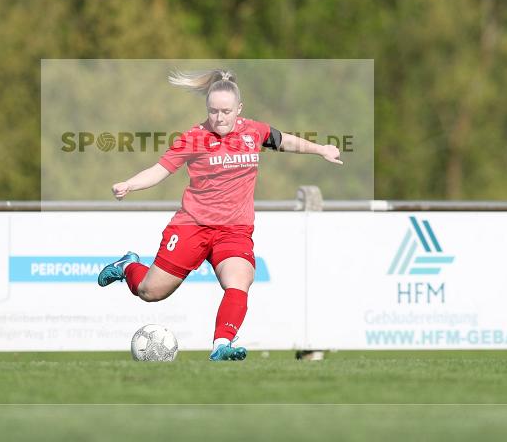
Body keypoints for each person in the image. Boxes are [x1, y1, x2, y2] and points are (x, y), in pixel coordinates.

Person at [97, 68, 342, 360]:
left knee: (240, 280)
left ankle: (221, 345)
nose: (219, 117)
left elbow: (283, 140)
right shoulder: (193, 138)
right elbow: (160, 170)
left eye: (226, 111)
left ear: (239, 109)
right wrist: (130, 184)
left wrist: (321, 149)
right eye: (213, 111)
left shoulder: (254, 131)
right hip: (192, 226)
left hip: (234, 230)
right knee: (151, 292)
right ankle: (128, 266)